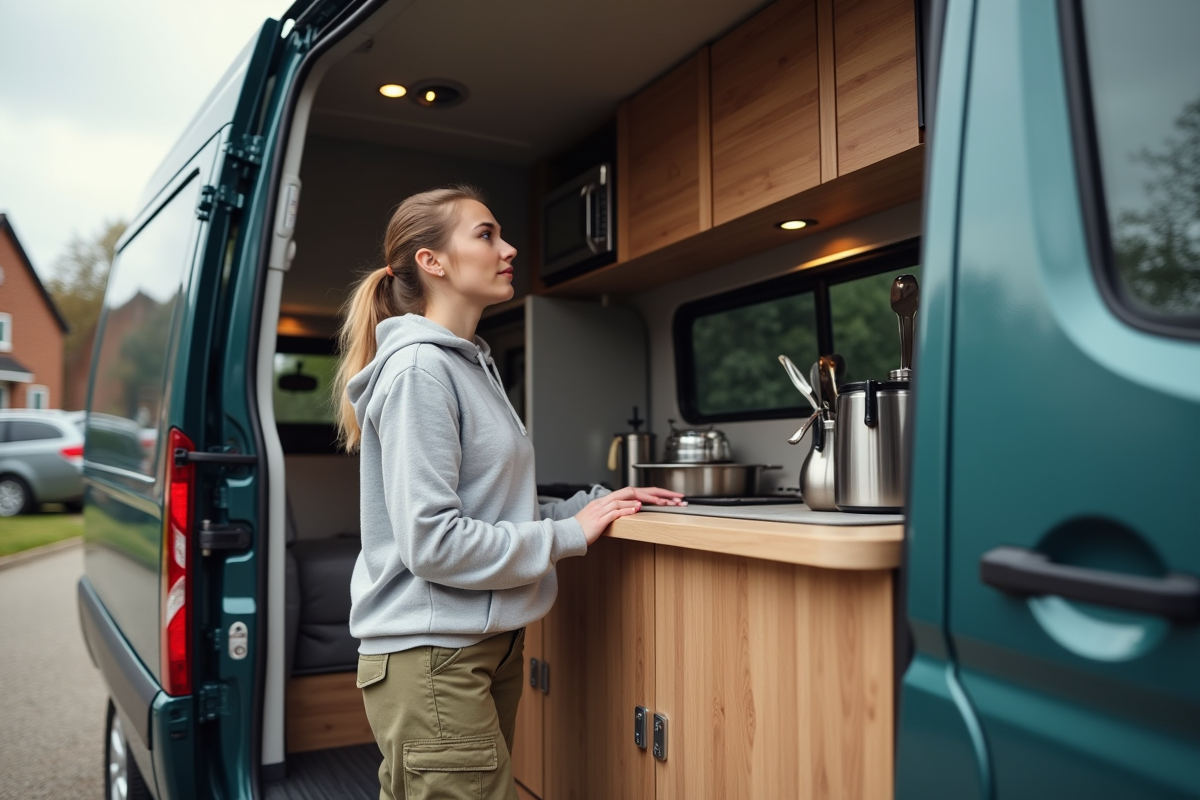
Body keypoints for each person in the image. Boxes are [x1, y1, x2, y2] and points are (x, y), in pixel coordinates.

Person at [332, 185, 684, 800]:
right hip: (434, 654)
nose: (509, 248)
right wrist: (568, 535)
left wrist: (596, 505)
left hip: (481, 645)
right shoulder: (421, 371)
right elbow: (433, 542)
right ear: (432, 262)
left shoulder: (469, 365)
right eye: (486, 234)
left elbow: (493, 508)